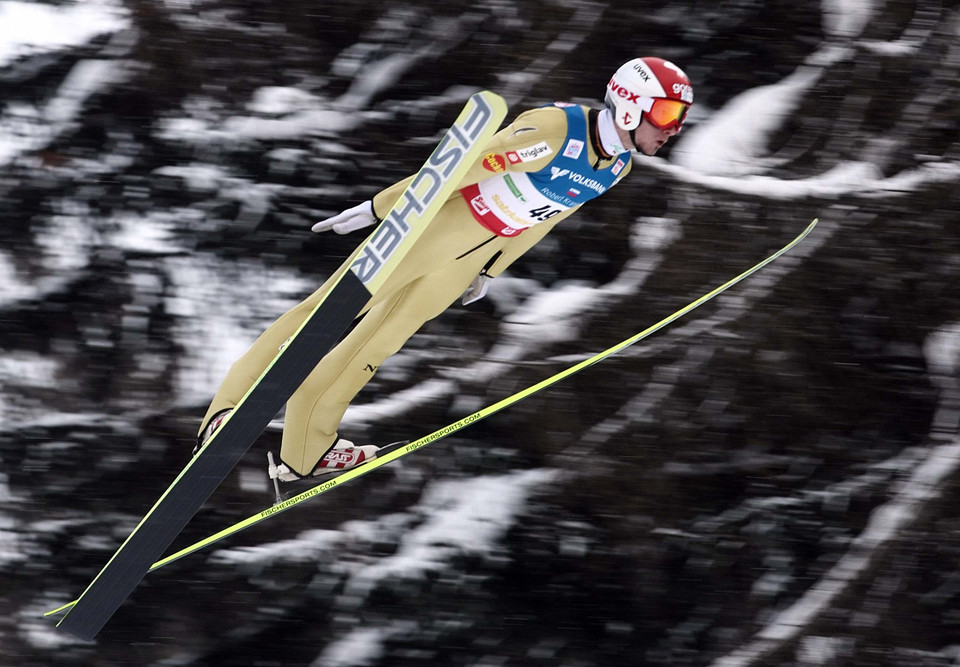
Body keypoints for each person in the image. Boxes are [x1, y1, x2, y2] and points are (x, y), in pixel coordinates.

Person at [197, 56, 694, 481]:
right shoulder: (556, 129)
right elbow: (460, 166)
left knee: (376, 344)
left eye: (682, 116)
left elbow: (547, 217)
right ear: (630, 102)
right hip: (432, 228)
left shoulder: (615, 165)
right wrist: (382, 208)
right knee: (325, 314)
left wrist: (490, 269)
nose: (674, 127)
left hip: (469, 256)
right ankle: (229, 411)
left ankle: (306, 448)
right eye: (668, 112)